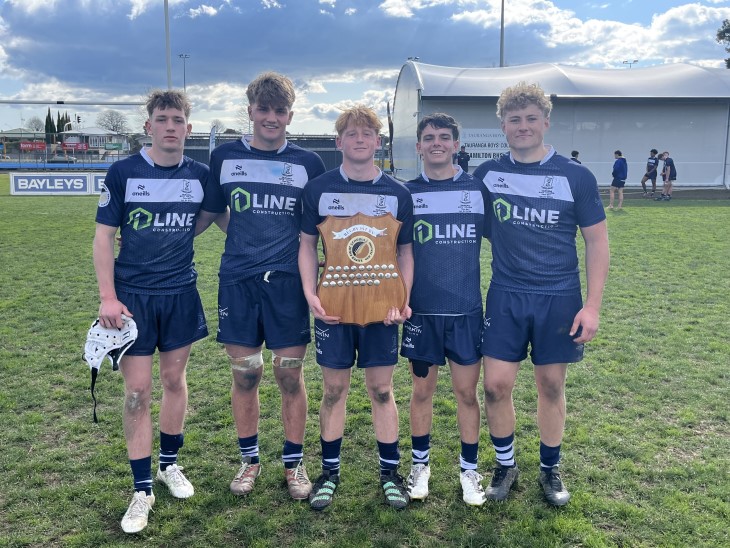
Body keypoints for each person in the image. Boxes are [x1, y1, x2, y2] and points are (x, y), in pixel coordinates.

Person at [472, 82, 609, 507]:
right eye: (515, 119)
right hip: (506, 294)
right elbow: (480, 230)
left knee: (551, 384)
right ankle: (505, 463)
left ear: (546, 122)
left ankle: (550, 469)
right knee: (495, 386)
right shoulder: (486, 174)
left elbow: (597, 242)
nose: (523, 126)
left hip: (559, 296)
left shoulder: (575, 176)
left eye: (532, 118)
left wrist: (592, 305)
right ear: (503, 125)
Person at [93, 90, 220, 533]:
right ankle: (141, 488)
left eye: (178, 119)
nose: (171, 126)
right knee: (137, 392)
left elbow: (206, 220)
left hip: (181, 293)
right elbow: (104, 237)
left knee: (173, 381)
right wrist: (108, 297)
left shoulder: (201, 174)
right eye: (162, 119)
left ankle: (169, 465)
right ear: (149, 126)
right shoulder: (124, 171)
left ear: (189, 127)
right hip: (133, 298)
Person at [205, 72, 326, 501]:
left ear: (289, 115)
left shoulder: (309, 164)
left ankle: (294, 464)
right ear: (251, 110)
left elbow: (320, 226)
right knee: (246, 376)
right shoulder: (222, 158)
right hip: (237, 281)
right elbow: (210, 213)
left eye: (280, 111)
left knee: (288, 376)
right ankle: (249, 461)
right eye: (264, 109)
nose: (271, 118)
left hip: (288, 285)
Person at [298, 105, 414, 510]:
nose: (360, 139)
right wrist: (311, 293)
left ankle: (389, 474)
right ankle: (329, 474)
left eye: (367, 133)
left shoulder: (398, 192)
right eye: (352, 133)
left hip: (382, 308)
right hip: (334, 306)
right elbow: (306, 245)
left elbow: (406, 252)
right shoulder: (318, 189)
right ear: (339, 142)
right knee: (334, 389)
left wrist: (403, 300)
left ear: (378, 142)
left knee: (382, 390)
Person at [402, 113, 490, 506]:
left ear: (456, 145)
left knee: (466, 394)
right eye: (428, 137)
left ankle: (469, 468)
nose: (436, 143)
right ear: (418, 146)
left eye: (443, 137)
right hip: (421, 312)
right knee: (421, 392)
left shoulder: (478, 189)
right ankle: (420, 465)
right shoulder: (405, 194)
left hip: (466, 312)